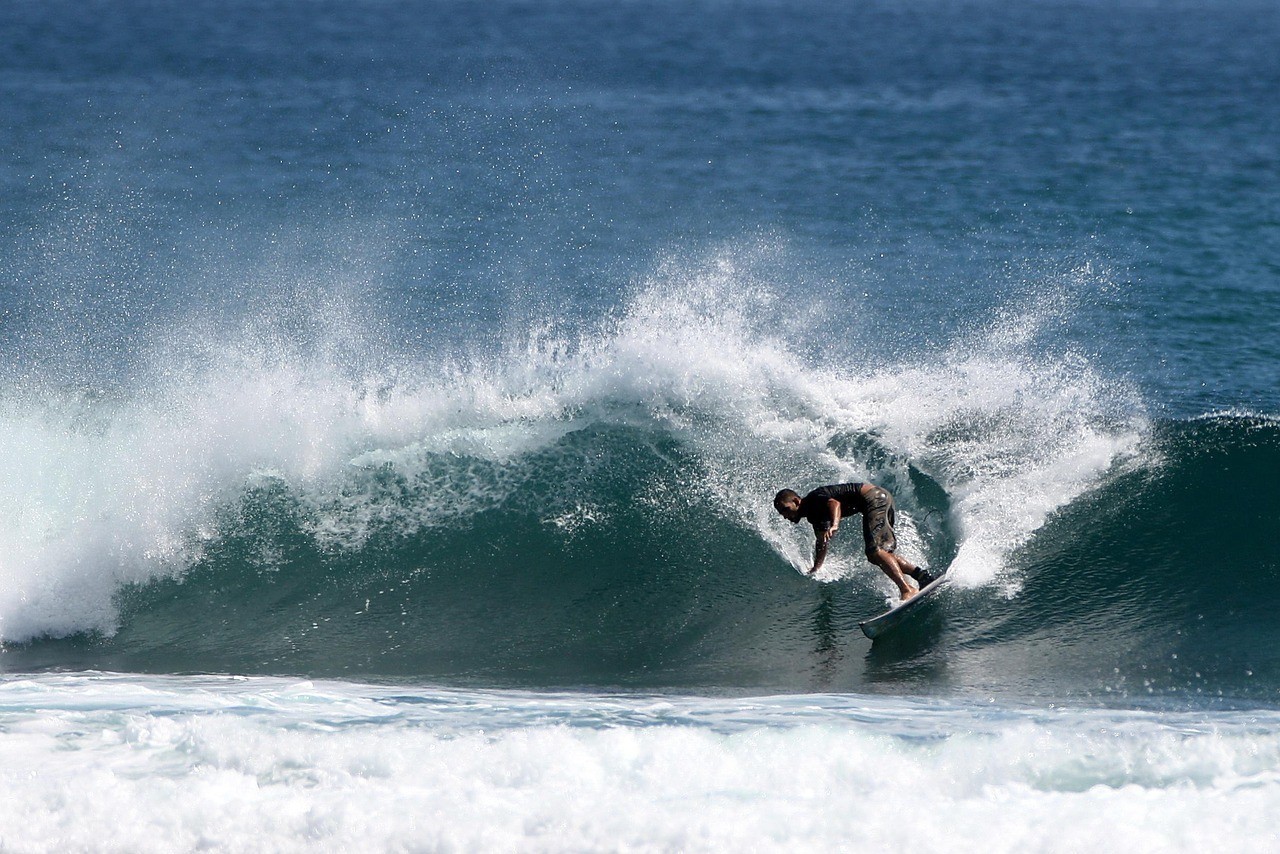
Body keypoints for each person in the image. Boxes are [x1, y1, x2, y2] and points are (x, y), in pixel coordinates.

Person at [774, 482, 934, 601]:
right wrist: (816, 567)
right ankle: (922, 576)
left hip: (875, 498)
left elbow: (834, 504)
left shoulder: (814, 499)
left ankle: (907, 589)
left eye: (786, 509)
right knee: (877, 554)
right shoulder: (814, 516)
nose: (785, 516)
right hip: (876, 501)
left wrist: (835, 524)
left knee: (875, 551)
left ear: (796, 501)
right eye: (781, 513)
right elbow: (821, 543)